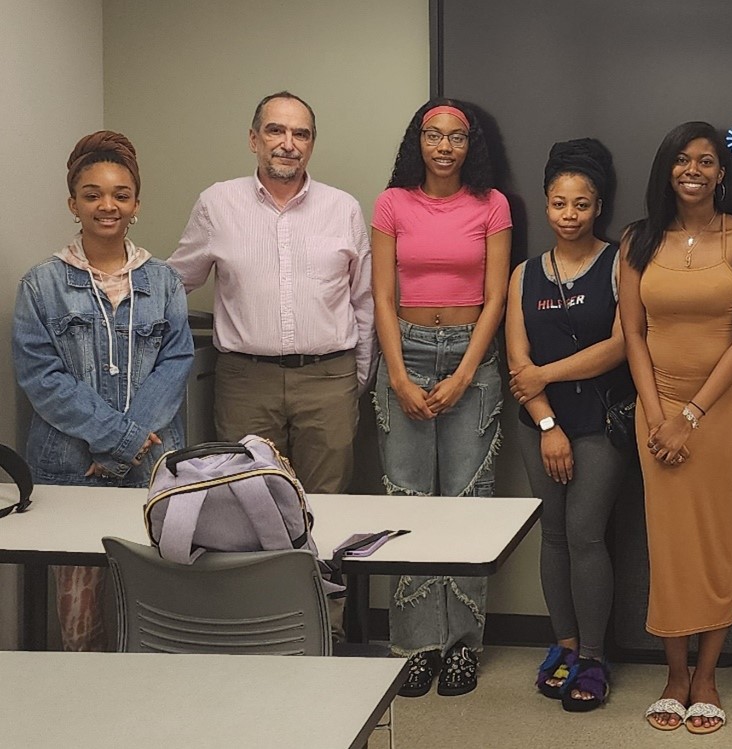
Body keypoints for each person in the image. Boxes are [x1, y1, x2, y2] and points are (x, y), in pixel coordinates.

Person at [13, 131, 194, 651]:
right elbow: (42, 378)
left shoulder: (163, 282)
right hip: (69, 469)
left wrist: (122, 444)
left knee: (154, 606)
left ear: (136, 203)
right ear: (73, 203)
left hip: (151, 467)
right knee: (80, 616)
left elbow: (176, 362)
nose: (106, 205)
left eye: (119, 194)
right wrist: (117, 438)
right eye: (91, 194)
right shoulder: (40, 285)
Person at [622, 122, 732, 735]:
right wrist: (659, 413)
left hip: (726, 413)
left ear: (722, 172)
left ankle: (707, 676)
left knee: (718, 541)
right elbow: (632, 333)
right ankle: (673, 675)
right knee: (670, 544)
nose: (694, 171)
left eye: (706, 161)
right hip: (656, 412)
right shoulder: (639, 239)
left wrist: (691, 415)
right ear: (667, 169)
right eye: (682, 160)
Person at [368, 99, 512, 697]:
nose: (445, 146)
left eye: (456, 137)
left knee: (465, 503)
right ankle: (416, 643)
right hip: (404, 350)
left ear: (469, 145)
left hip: (470, 358)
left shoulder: (493, 205)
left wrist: (463, 374)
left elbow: (496, 298)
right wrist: (399, 377)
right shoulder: (391, 202)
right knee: (408, 504)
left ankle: (460, 646)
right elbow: (380, 297)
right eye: (434, 135)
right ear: (418, 142)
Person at [168, 91, 372, 494]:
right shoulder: (217, 204)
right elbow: (173, 283)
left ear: (311, 143)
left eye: (301, 134)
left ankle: (318, 563)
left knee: (326, 503)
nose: (288, 144)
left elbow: (363, 301)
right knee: (246, 500)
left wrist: (354, 379)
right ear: (254, 139)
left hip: (328, 380)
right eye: (275, 130)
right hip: (245, 383)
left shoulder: (343, 208)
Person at [507, 138, 630, 711]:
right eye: (559, 204)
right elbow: (516, 363)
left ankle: (595, 657)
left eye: (581, 204)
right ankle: (564, 643)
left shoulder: (618, 262)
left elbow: (623, 345)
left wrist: (546, 379)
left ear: (597, 206)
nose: (569, 215)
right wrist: (547, 423)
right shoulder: (525, 274)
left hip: (600, 423)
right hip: (543, 426)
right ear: (547, 204)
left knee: (585, 534)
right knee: (552, 535)